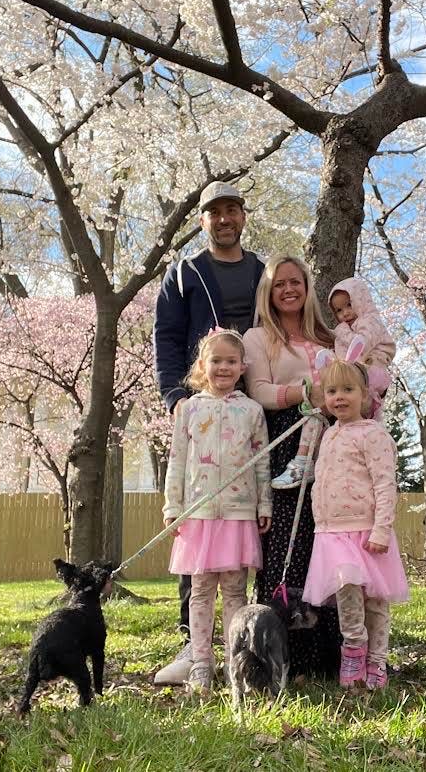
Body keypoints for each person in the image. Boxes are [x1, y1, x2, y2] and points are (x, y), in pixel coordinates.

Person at [153, 180, 264, 684]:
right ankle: (191, 646)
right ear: (203, 220)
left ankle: (248, 644)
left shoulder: (262, 271)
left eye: (232, 209)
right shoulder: (184, 273)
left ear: (242, 215)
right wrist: (176, 398)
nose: (224, 218)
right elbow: (168, 337)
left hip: (258, 407)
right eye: (214, 212)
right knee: (198, 535)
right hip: (200, 411)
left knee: (248, 527)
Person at [243, 254, 342, 678]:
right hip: (284, 441)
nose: (288, 289)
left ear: (307, 287)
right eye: (279, 283)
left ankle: (331, 654)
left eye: (295, 282)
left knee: (328, 539)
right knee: (287, 543)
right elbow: (261, 391)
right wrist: (307, 392)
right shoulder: (256, 336)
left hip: (333, 440)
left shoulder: (329, 336)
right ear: (268, 291)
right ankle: (283, 654)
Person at [162, 328, 272, 695]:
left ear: (242, 367)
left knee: (236, 593)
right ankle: (201, 663)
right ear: (202, 366)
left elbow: (261, 462)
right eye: (216, 360)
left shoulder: (252, 410)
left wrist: (264, 503)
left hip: (238, 515)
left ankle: (234, 664)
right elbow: (176, 461)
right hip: (199, 514)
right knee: (201, 591)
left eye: (231, 361)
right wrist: (172, 506)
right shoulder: (189, 409)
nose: (223, 367)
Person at [302, 358, 409, 690]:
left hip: (366, 530)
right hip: (332, 533)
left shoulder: (373, 434)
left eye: (348, 390)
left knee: (375, 600)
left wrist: (381, 528)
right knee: (346, 590)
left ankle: (377, 661)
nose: (339, 397)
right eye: (332, 391)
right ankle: (353, 648)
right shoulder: (328, 434)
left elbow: (384, 484)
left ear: (365, 395)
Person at [272, 276, 396, 490]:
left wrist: (339, 331)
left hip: (369, 374)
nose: (345, 314)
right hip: (354, 374)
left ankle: (365, 458)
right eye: (339, 311)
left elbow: (361, 345)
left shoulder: (369, 321)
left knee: (359, 416)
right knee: (321, 410)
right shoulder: (351, 326)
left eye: (349, 305)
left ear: (361, 301)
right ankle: (309, 458)